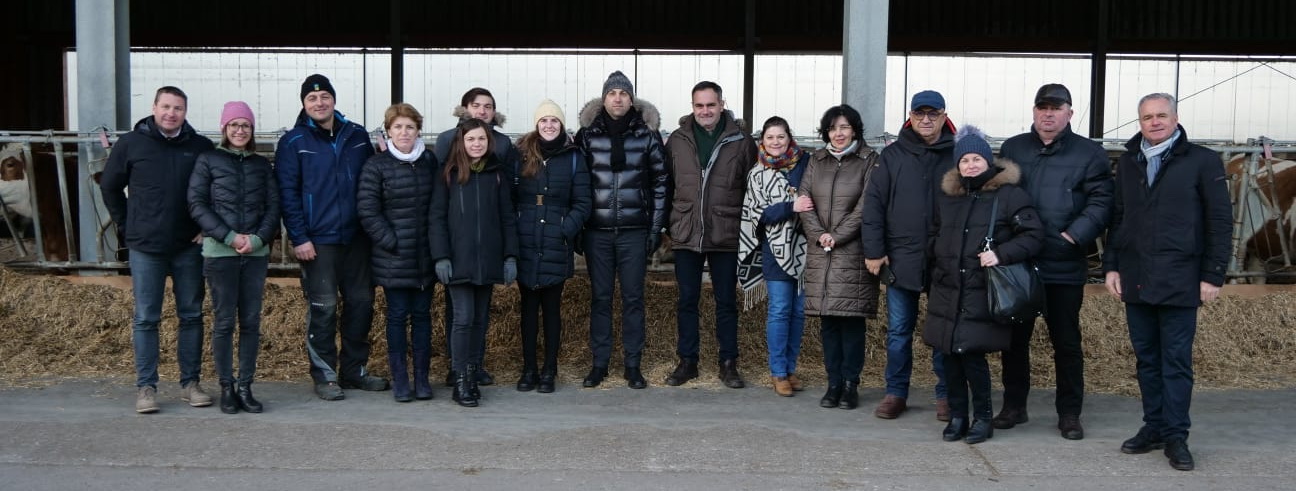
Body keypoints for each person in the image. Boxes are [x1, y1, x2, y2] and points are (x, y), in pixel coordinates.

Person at [1104, 93, 1232, 471]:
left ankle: (1177, 436)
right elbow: (1119, 216)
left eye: (1161, 115)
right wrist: (1111, 266)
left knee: (1175, 362)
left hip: (1181, 276)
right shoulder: (1128, 162)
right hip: (1137, 276)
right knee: (1147, 359)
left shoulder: (1202, 161)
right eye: (1147, 117)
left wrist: (1212, 274)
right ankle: (1154, 427)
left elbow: (1220, 221)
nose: (1154, 122)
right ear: (1139, 121)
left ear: (1176, 118)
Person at [994, 83, 1114, 440]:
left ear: (1069, 113)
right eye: (1042, 107)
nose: (1049, 114)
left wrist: (1073, 235)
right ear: (1033, 111)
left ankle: (1069, 412)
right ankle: (1014, 406)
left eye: (1056, 108)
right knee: (1014, 340)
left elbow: (1102, 201)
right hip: (1020, 263)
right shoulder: (1013, 148)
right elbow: (999, 196)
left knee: (1066, 341)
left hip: (1063, 263)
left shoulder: (1089, 153)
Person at [925, 125, 1044, 445]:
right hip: (948, 287)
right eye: (965, 160)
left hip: (980, 288)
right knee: (949, 355)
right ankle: (958, 415)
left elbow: (1034, 236)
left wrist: (1000, 254)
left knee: (971, 356)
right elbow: (935, 236)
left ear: (989, 161)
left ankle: (983, 417)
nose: (971, 165)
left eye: (977, 158)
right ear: (957, 165)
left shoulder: (1009, 196)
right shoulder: (948, 198)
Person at [101, 86, 215, 414]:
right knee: (146, 317)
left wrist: (204, 226)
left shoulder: (200, 147)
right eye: (165, 106)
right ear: (154, 107)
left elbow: (213, 190)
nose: (171, 113)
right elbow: (109, 186)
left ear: (185, 111)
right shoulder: (131, 144)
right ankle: (146, 387)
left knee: (191, 314)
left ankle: (190, 383)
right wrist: (127, 225)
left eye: (178, 108)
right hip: (146, 246)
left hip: (187, 247)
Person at [276, 73, 387, 401]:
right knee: (323, 307)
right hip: (318, 240)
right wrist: (299, 237)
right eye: (312, 98)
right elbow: (288, 193)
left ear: (334, 100)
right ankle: (325, 374)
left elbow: (371, 182)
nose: (319, 102)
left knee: (362, 304)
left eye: (324, 96)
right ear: (304, 104)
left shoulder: (356, 136)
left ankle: (354, 370)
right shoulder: (293, 141)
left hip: (356, 238)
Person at [861, 90, 955, 420]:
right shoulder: (893, 156)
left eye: (933, 114)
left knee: (945, 330)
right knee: (899, 330)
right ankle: (896, 392)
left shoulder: (958, 155)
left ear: (944, 116)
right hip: (902, 257)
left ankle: (946, 394)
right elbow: (873, 205)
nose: (926, 120)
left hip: (946, 260)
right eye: (919, 114)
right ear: (910, 117)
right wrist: (874, 250)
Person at [573, 70, 668, 389]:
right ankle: (599, 364)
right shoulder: (587, 135)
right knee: (600, 298)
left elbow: (660, 182)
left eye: (623, 94)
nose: (618, 98)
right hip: (597, 232)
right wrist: (580, 226)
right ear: (604, 98)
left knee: (633, 298)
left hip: (633, 231)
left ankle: (632, 365)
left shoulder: (647, 135)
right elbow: (578, 183)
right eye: (612, 93)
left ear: (632, 99)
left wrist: (655, 228)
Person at [187, 101, 280, 414]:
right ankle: (226, 385)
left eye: (246, 125)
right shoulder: (208, 160)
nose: (240, 130)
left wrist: (257, 239)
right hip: (220, 252)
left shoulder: (261, 165)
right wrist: (228, 236)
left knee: (251, 322)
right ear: (224, 128)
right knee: (225, 321)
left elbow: (272, 207)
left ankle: (246, 385)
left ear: (252, 130)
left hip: (255, 254)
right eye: (234, 125)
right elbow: (197, 204)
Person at [663, 81, 757, 388]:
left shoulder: (741, 141)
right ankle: (688, 361)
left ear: (722, 104)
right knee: (687, 299)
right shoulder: (677, 140)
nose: (705, 111)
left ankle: (728, 363)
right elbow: (667, 184)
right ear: (692, 107)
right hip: (687, 231)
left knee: (725, 301)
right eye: (699, 106)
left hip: (725, 231)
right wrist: (668, 225)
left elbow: (750, 187)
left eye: (711, 105)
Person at [433, 87, 522, 388]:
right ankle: (459, 374)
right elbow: (437, 217)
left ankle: (473, 366)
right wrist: (441, 255)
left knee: (480, 317)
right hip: (458, 256)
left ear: (490, 141)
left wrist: (510, 255)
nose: (476, 143)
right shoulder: (449, 173)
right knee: (463, 317)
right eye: (471, 138)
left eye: (482, 139)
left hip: (487, 256)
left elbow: (507, 215)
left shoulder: (496, 174)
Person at [798, 104, 880, 410]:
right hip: (821, 252)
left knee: (851, 323)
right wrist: (819, 233)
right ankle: (832, 383)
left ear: (855, 129)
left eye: (844, 127)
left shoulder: (869, 160)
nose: (839, 133)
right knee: (828, 323)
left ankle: (850, 384)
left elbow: (866, 206)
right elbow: (804, 201)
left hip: (852, 252)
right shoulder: (816, 160)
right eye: (833, 128)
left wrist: (838, 234)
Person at [357, 103, 438, 403]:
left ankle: (423, 379)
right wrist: (391, 241)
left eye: (410, 127)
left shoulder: (428, 161)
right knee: (397, 316)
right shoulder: (377, 165)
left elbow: (438, 205)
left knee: (422, 317)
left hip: (424, 256)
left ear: (418, 130)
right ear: (388, 131)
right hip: (394, 257)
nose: (404, 132)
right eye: (398, 127)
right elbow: (367, 210)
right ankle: (401, 379)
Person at [512, 100, 591, 393]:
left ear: (561, 125)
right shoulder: (520, 156)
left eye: (554, 121)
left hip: (555, 241)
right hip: (527, 239)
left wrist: (565, 229)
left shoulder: (573, 158)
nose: (548, 125)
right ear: (536, 124)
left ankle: (549, 370)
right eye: (543, 120)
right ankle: (529, 368)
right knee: (528, 309)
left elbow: (583, 201)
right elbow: (510, 196)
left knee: (552, 309)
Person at [738, 116, 811, 397]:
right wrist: (792, 206)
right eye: (770, 138)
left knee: (799, 311)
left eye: (781, 137)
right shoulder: (757, 173)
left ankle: (791, 369)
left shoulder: (805, 165)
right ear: (762, 141)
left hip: (804, 248)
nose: (776, 142)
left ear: (789, 139)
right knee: (780, 309)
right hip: (775, 250)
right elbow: (759, 214)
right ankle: (778, 372)